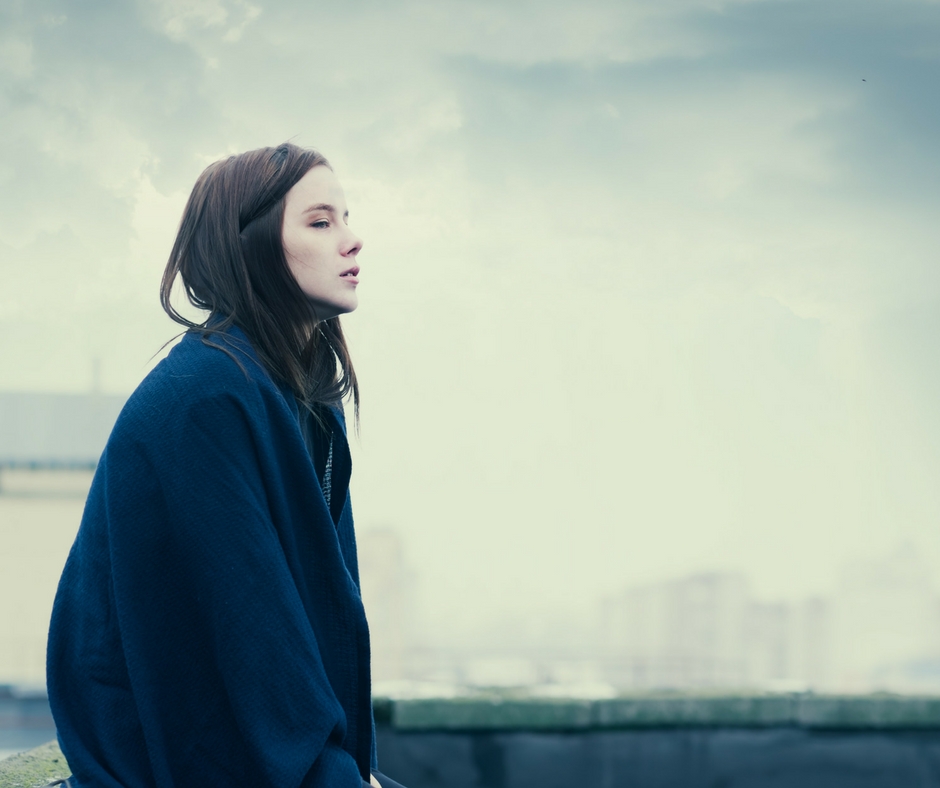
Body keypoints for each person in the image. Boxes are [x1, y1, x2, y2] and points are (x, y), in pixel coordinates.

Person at [46, 143, 405, 788]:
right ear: (253, 245)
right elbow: (253, 634)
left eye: (346, 218)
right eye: (321, 222)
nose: (353, 241)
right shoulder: (205, 399)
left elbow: (314, 619)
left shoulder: (295, 401)